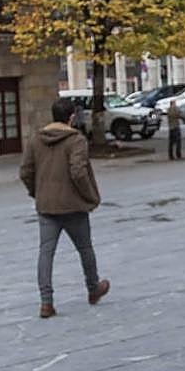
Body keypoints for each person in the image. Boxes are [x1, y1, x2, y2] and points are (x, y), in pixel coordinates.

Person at [18, 97, 110, 319]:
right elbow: (78, 172)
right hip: (73, 205)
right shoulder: (76, 140)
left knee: (46, 252)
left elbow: (25, 171)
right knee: (85, 248)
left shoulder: (36, 139)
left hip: (46, 205)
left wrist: (37, 191)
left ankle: (46, 302)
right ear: (71, 117)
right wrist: (89, 196)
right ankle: (93, 288)